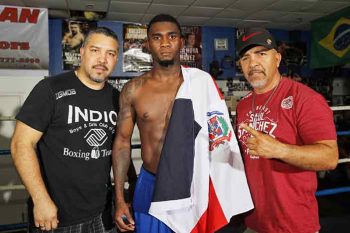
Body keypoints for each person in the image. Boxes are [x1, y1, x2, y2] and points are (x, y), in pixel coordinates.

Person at [112, 14, 252, 233]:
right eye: (157, 37)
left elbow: (220, 137)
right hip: (151, 182)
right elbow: (121, 144)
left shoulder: (201, 82)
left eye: (172, 36)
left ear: (181, 41)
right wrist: (120, 198)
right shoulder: (133, 89)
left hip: (193, 182)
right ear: (148, 44)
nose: (165, 43)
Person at [11, 27, 120, 233]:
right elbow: (21, 144)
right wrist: (40, 200)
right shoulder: (51, 88)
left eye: (110, 54)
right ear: (82, 52)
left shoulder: (116, 98)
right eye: (95, 50)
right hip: (56, 216)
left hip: (101, 212)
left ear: (116, 59)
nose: (102, 59)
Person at [235, 27, 339, 233]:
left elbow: (330, 157)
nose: (253, 63)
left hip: (294, 225)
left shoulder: (305, 99)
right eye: (245, 58)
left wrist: (279, 150)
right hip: (255, 222)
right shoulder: (243, 105)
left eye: (261, 53)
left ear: (277, 59)